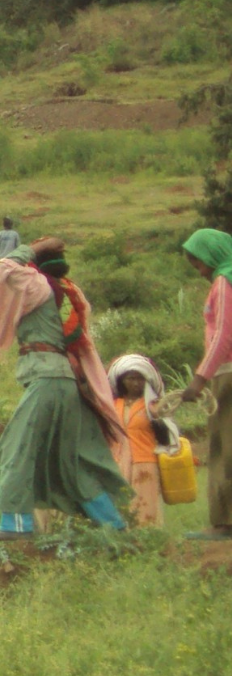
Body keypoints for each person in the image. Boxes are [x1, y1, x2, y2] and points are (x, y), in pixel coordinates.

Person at [0, 236, 130, 538]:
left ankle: (17, 524)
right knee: (72, 460)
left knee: (17, 447)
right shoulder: (65, 291)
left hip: (47, 379)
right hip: (64, 381)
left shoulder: (38, 286)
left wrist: (31, 250)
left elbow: (6, 267)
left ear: (36, 265)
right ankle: (114, 526)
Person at [175, 229, 232, 539]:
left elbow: (223, 333)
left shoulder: (224, 282)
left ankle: (224, 524)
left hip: (227, 374)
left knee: (223, 447)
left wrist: (199, 379)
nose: (201, 272)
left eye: (200, 264)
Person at [108, 353, 167, 528]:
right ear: (121, 381)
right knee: (121, 508)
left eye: (140, 379)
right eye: (131, 378)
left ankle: (149, 544)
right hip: (117, 463)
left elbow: (166, 436)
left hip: (145, 464)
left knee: (146, 509)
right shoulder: (113, 405)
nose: (136, 383)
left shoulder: (153, 406)